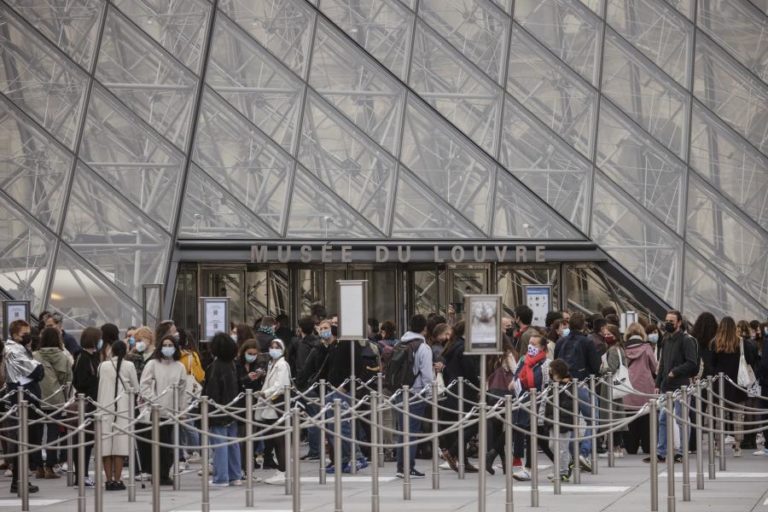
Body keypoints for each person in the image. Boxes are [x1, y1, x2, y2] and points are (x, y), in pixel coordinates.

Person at [644, 310, 698, 464]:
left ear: (679, 322)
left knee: (681, 419)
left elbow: (691, 363)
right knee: (662, 419)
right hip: (666, 386)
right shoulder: (666, 339)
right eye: (667, 320)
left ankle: (682, 452)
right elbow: (662, 365)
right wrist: (658, 383)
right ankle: (661, 452)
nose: (668, 323)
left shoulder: (686, 340)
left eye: (671, 321)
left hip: (681, 386)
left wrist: (676, 371)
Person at [138, 335, 187, 486]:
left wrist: (182, 409)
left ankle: (163, 473)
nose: (167, 347)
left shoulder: (180, 366)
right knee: (160, 444)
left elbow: (183, 390)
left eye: (170, 344)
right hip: (155, 411)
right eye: (164, 344)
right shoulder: (152, 364)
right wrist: (154, 400)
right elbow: (144, 385)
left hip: (172, 412)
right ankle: (160, 474)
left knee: (170, 446)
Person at [4, 320, 43, 494]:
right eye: (24, 334)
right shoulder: (13, 350)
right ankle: (18, 481)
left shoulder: (20, 349)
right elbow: (37, 372)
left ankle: (20, 480)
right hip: (22, 397)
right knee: (23, 440)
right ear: (14, 334)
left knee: (27, 440)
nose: (28, 337)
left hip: (27, 397)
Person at [711, 317, 757, 457]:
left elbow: (712, 364)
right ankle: (737, 447)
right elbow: (750, 360)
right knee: (738, 416)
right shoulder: (741, 343)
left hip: (720, 384)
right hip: (738, 383)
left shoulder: (715, 343)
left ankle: (718, 446)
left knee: (720, 417)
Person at [395, 314, 434, 479]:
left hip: (399, 392)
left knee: (401, 430)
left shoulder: (400, 343)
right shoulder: (423, 347)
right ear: (424, 329)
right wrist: (430, 394)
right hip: (416, 392)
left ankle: (400, 466)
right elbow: (426, 374)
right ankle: (408, 466)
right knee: (411, 431)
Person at [96, 340, 139, 490]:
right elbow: (136, 387)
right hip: (123, 409)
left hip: (104, 407)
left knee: (106, 444)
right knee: (120, 445)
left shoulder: (102, 366)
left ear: (112, 351)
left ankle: (108, 480)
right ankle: (118, 479)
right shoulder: (130, 366)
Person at [33, 327, 72, 479]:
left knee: (36, 433)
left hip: (36, 397)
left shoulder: (35, 355)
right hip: (56, 399)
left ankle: (38, 467)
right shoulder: (62, 356)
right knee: (53, 433)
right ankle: (50, 466)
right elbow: (67, 379)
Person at [204, 333, 243, 487]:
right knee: (233, 444)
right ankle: (235, 475)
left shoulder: (214, 367)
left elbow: (212, 391)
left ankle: (221, 477)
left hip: (218, 411)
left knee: (219, 445)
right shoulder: (233, 365)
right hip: (232, 410)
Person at [255, 339, 291, 485]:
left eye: (277, 347)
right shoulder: (272, 364)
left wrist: (265, 393)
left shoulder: (282, 365)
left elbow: (281, 385)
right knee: (275, 439)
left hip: (277, 404)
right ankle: (281, 470)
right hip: (271, 405)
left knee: (279, 440)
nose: (273, 349)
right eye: (271, 347)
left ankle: (283, 471)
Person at [72, 327, 102, 487]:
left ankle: (83, 474)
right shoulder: (83, 358)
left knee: (88, 441)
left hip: (92, 402)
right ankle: (81, 475)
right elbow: (80, 381)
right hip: (87, 403)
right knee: (84, 440)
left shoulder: (92, 356)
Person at [623, 323, 657, 454]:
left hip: (628, 386)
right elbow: (654, 366)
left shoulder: (623, 348)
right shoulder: (647, 347)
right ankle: (648, 445)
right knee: (646, 417)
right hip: (645, 386)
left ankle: (631, 446)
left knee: (630, 416)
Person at [544, 359, 575, 482]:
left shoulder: (567, 386)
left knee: (561, 447)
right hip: (553, 419)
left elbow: (568, 405)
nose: (550, 372)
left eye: (552, 370)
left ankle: (563, 472)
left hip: (562, 421)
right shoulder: (554, 385)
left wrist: (560, 418)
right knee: (552, 445)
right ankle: (567, 461)